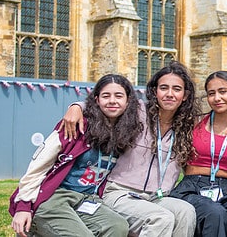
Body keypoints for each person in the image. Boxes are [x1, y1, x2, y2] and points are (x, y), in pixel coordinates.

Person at [61, 61, 199, 237]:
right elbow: (108, 105)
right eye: (164, 88)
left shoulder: (186, 125)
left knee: (186, 212)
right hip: (120, 193)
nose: (170, 94)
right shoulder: (137, 112)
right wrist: (76, 107)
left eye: (177, 89)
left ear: (185, 95)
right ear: (155, 91)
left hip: (157, 197)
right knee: (161, 218)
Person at [9, 74, 141, 236]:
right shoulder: (77, 125)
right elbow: (39, 164)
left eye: (118, 96)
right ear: (97, 100)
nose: (112, 100)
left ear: (128, 101)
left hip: (87, 200)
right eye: (106, 96)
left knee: (117, 226)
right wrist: (23, 206)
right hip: (53, 197)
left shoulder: (126, 131)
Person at [170, 71, 227, 237]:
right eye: (211, 93)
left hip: (224, 186)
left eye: (223, 91)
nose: (217, 98)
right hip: (192, 186)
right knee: (214, 212)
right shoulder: (194, 123)